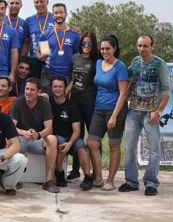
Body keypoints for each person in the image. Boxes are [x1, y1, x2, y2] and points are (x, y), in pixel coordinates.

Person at [119, 34, 171, 197]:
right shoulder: (135, 61)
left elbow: (167, 89)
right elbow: (123, 76)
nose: (142, 49)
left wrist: (158, 111)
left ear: (152, 47)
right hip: (133, 111)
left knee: (154, 149)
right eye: (139, 45)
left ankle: (151, 183)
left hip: (150, 113)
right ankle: (131, 182)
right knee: (128, 148)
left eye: (145, 46)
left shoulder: (159, 64)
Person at [87, 35, 128, 190]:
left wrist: (114, 115)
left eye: (108, 48)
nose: (105, 51)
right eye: (102, 48)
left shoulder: (120, 67)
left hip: (115, 109)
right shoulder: (98, 63)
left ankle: (110, 181)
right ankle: (98, 178)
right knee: (92, 143)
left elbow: (123, 93)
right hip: (98, 108)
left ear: (114, 49)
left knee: (113, 145)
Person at [10, 78, 58, 193]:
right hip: (21, 139)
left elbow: (49, 128)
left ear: (38, 91)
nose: (28, 92)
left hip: (38, 140)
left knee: (52, 139)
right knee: (9, 139)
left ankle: (48, 180)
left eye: (32, 90)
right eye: (27, 89)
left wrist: (38, 135)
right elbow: (11, 127)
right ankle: (14, 178)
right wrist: (24, 132)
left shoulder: (45, 104)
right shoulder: (17, 102)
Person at [48, 77, 94, 190]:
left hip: (71, 137)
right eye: (55, 86)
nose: (57, 89)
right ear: (51, 88)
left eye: (60, 86)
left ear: (65, 88)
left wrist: (70, 143)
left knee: (81, 147)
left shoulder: (72, 106)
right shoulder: (47, 103)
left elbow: (77, 131)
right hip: (56, 137)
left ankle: (88, 177)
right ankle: (59, 173)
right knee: (62, 143)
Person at [66, 31, 99, 180]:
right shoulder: (75, 58)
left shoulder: (97, 60)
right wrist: (64, 96)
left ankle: (96, 172)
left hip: (90, 103)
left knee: (93, 138)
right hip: (75, 102)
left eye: (89, 44)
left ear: (94, 45)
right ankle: (75, 170)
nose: (86, 46)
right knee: (77, 136)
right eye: (84, 43)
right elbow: (72, 80)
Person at [36, 3, 81, 93]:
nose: (59, 15)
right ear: (53, 15)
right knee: (46, 101)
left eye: (61, 12)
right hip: (48, 72)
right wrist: (41, 57)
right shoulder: (46, 35)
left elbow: (77, 56)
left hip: (66, 74)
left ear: (66, 14)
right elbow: (39, 52)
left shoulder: (74, 35)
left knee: (62, 103)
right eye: (56, 13)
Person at [22, 0, 54, 77]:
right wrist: (22, 60)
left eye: (41, 2)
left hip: (51, 60)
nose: (39, 4)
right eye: (36, 2)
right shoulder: (29, 20)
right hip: (34, 60)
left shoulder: (55, 18)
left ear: (47, 2)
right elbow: (26, 42)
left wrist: (74, 29)